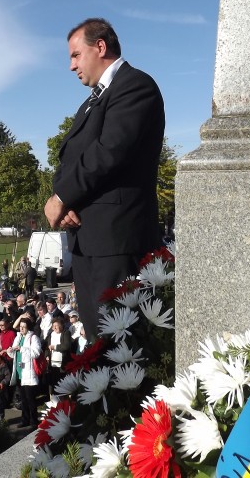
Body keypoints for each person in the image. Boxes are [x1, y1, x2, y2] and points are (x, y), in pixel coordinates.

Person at [44, 18, 164, 338]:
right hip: (86, 240)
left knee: (120, 343)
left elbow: (109, 151)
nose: (71, 66)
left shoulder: (135, 86)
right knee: (97, 342)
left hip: (117, 240)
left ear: (100, 47)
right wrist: (65, 201)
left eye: (75, 55)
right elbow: (69, 159)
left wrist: (61, 197)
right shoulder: (90, 103)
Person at [7, 317, 41, 429]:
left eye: (24, 327)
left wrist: (22, 348)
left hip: (29, 372)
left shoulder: (33, 337)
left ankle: (34, 420)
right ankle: (25, 420)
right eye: (20, 327)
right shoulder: (18, 337)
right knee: (23, 399)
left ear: (28, 328)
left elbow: (36, 353)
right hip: (19, 371)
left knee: (30, 399)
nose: (21, 329)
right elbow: (14, 354)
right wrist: (10, 351)